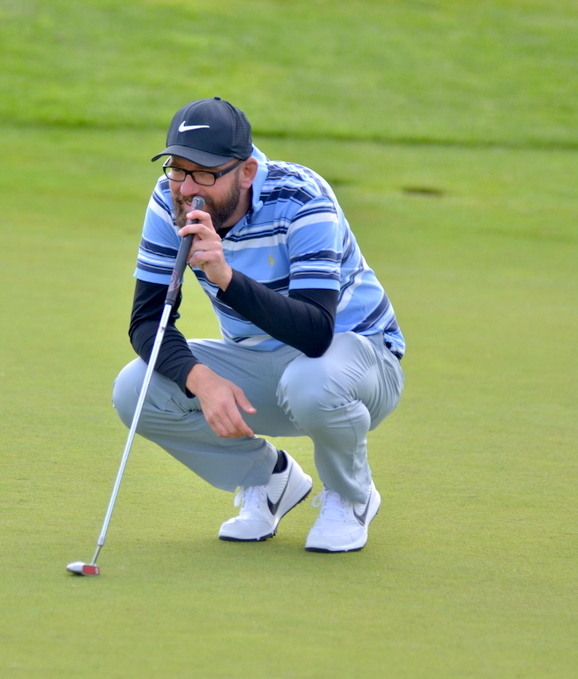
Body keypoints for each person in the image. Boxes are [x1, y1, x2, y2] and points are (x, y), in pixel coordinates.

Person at [112, 97, 405, 553]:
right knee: (136, 388)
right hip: (260, 364)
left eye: (205, 174)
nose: (187, 188)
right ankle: (269, 480)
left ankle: (351, 496)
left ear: (246, 172)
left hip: (359, 364)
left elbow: (316, 333)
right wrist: (201, 380)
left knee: (311, 381)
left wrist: (225, 277)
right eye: (178, 169)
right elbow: (148, 320)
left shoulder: (302, 196)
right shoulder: (170, 199)